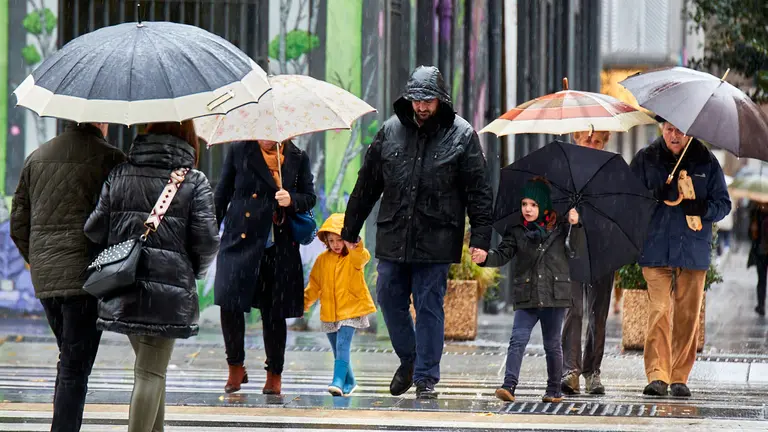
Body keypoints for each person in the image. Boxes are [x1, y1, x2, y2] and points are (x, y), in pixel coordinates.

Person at [341, 65, 494, 400]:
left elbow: (479, 193)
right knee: (387, 296)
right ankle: (410, 359)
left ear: (441, 99)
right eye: (416, 99)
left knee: (428, 305)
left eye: (428, 100)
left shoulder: (462, 135)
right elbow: (367, 185)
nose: (422, 106)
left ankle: (425, 377)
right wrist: (349, 228)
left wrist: (481, 239)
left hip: (437, 237)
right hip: (395, 232)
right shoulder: (390, 131)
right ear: (407, 97)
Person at [84, 120, 219, 432]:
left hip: (124, 282)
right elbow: (209, 240)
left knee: (151, 369)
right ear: (187, 137)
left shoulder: (119, 174)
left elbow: (93, 228)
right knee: (150, 373)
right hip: (170, 290)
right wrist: (194, 272)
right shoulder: (194, 181)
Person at [10, 122, 125, 432]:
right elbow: (122, 219)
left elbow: (18, 221)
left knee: (71, 359)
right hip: (88, 279)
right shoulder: (111, 158)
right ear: (101, 122)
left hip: (47, 281)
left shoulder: (37, 157)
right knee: (76, 366)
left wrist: (37, 260)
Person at [630, 116, 730, 397]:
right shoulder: (646, 158)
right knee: (659, 310)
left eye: (680, 130)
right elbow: (627, 198)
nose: (674, 135)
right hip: (655, 246)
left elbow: (723, 204)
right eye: (669, 129)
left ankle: (679, 376)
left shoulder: (706, 161)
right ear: (662, 128)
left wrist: (703, 207)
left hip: (692, 248)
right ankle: (657, 375)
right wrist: (653, 194)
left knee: (687, 315)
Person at [214, 139, 317, 395]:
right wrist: (207, 232)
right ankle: (235, 365)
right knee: (230, 303)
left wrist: (291, 199)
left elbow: (310, 197)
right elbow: (222, 192)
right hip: (240, 238)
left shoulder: (297, 156)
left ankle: (274, 373)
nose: (265, 137)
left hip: (277, 243)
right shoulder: (240, 150)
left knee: (274, 311)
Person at [474, 178, 582, 403]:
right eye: (524, 204)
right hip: (528, 294)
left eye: (533, 204)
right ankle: (508, 385)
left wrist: (576, 225)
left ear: (542, 205)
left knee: (552, 344)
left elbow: (575, 251)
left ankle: (554, 391)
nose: (528, 209)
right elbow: (503, 254)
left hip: (554, 295)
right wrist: (486, 257)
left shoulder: (562, 227)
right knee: (518, 339)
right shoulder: (517, 231)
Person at [561, 130, 614, 395]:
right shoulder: (565, 170)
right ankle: (571, 370)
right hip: (572, 249)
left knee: (598, 313)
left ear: (605, 143)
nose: (591, 145)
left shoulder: (613, 172)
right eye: (586, 140)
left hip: (604, 250)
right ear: (576, 139)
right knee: (574, 309)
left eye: (597, 141)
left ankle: (592, 371)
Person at [304, 213, 377, 397]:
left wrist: (356, 244)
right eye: (331, 240)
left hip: (351, 309)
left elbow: (363, 257)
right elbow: (314, 286)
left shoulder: (354, 257)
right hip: (329, 311)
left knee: (343, 345)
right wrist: (303, 304)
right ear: (326, 241)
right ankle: (350, 381)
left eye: (340, 239)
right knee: (338, 349)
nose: (336, 244)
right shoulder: (322, 260)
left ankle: (337, 380)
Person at [747, 201, 768, 316]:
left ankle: (761, 305)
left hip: (761, 250)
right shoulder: (756, 212)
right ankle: (760, 305)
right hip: (761, 250)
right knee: (762, 279)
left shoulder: (756, 211)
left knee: (762, 279)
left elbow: (750, 234)